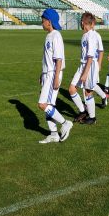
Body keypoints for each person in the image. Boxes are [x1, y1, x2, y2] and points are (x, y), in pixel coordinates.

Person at [38, 9, 73, 143]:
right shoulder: (49, 35)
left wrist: (56, 76)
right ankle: (53, 134)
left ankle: (65, 123)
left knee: (42, 104)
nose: (42, 22)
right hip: (48, 73)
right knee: (49, 105)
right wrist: (42, 73)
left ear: (49, 21)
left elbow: (59, 59)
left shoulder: (56, 35)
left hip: (53, 73)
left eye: (43, 20)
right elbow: (47, 58)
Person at [69, 12, 99, 124]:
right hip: (82, 65)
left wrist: (85, 73)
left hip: (89, 66)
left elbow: (90, 56)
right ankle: (83, 111)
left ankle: (92, 118)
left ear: (82, 23)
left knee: (88, 92)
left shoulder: (91, 35)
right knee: (72, 89)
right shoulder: (85, 35)